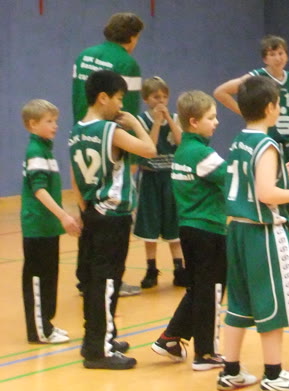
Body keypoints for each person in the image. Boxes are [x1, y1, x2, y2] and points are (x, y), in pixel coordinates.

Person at [216, 76, 289, 391]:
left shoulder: (240, 140)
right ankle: (274, 376)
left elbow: (250, 180)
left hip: (237, 230)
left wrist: (281, 175)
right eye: (277, 103)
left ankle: (230, 370)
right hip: (262, 234)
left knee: (238, 305)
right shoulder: (267, 144)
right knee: (272, 306)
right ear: (269, 107)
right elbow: (265, 193)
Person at [69, 70, 156, 369]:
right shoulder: (110, 130)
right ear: (103, 98)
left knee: (94, 281)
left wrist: (85, 211)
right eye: (119, 99)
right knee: (107, 281)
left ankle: (95, 338)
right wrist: (135, 123)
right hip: (112, 215)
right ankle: (100, 350)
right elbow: (149, 150)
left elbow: (75, 179)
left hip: (92, 212)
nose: (121, 105)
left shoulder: (76, 131)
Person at [151, 91, 228, 371]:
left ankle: (171, 338)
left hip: (189, 229)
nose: (216, 122)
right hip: (208, 230)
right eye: (211, 117)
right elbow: (232, 178)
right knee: (212, 290)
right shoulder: (201, 153)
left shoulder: (183, 150)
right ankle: (205, 353)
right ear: (194, 122)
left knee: (199, 287)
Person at [72, 11, 145, 298]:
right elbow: (128, 110)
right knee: (112, 215)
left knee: (87, 209)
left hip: (81, 135)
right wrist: (132, 160)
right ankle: (111, 280)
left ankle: (86, 278)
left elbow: (77, 96)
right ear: (132, 37)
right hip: (110, 141)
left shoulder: (84, 56)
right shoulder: (127, 62)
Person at [20, 99, 81, 344]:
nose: (55, 125)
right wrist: (64, 216)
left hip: (47, 228)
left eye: (55, 120)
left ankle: (46, 324)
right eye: (49, 121)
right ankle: (39, 331)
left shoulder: (46, 150)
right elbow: (39, 190)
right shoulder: (35, 151)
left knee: (48, 278)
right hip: (37, 227)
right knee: (37, 280)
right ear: (32, 124)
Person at [213, 35, 289, 165]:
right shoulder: (257, 77)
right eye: (272, 54)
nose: (278, 58)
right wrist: (246, 113)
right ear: (265, 59)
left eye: (281, 53)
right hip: (269, 140)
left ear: (287, 56)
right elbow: (220, 92)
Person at [134, 76, 187, 289]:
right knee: (150, 225)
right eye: (156, 97)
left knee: (174, 224)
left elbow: (181, 142)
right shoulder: (141, 121)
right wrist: (156, 122)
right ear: (146, 99)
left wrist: (170, 121)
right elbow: (150, 147)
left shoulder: (175, 118)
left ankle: (179, 268)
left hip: (171, 177)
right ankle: (151, 269)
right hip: (151, 177)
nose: (161, 101)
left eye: (164, 96)